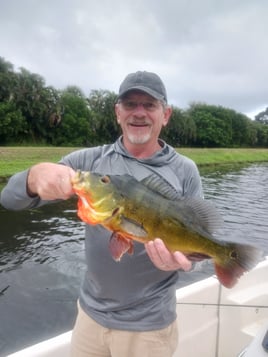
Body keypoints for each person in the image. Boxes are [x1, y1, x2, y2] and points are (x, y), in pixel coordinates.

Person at [0, 71, 203, 357]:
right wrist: (33, 177)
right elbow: (9, 199)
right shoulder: (88, 162)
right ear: (117, 113)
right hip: (89, 317)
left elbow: (198, 243)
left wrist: (184, 263)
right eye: (130, 104)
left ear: (166, 114)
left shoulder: (185, 171)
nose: (139, 113)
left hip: (149, 328)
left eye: (149, 104)